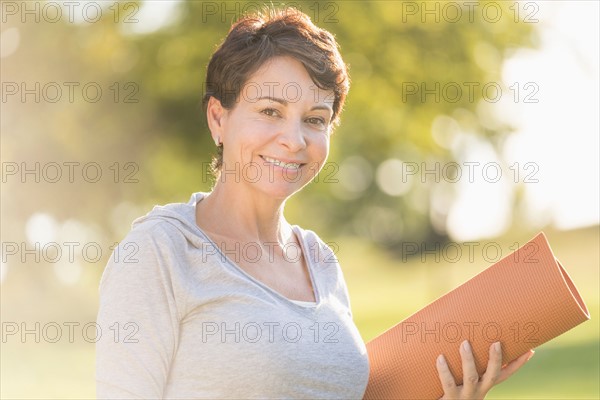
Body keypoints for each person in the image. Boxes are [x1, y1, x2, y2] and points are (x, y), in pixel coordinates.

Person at [96, 7, 534, 399]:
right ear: (218, 118)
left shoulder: (321, 262)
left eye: (315, 120)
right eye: (270, 111)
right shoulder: (160, 252)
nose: (293, 140)